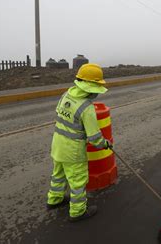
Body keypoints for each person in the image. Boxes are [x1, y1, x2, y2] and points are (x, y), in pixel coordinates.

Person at [46, 63, 112, 222]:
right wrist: (105, 144)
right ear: (90, 88)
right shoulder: (87, 108)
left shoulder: (66, 95)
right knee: (77, 181)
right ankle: (78, 211)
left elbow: (59, 114)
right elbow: (95, 138)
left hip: (57, 145)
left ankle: (54, 199)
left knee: (58, 174)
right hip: (73, 151)